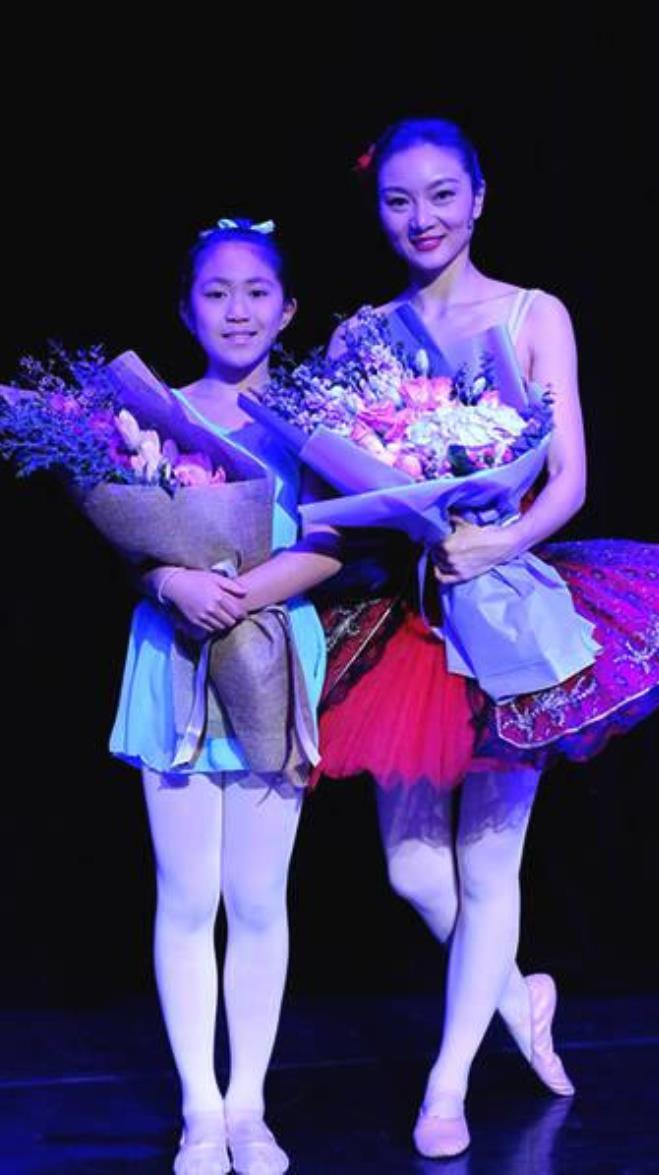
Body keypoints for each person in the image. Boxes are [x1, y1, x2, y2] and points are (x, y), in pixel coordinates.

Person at [316, 118, 659, 1159]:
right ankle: (519, 991)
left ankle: (446, 1088)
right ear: (378, 209)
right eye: (400, 200)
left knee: (490, 866)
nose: (423, 218)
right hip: (409, 615)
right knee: (411, 870)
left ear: (479, 197)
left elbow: (568, 476)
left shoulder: (535, 313)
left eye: (443, 194)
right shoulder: (361, 337)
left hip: (513, 605)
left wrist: (500, 540)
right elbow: (344, 479)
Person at [110, 218, 342, 1175]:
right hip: (173, 655)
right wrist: (172, 580)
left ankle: (249, 1105)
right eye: (215, 292)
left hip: (271, 653)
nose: (236, 309)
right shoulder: (151, 415)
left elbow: (335, 540)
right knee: (185, 893)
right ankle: (198, 1111)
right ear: (185, 308)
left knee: (256, 895)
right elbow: (132, 539)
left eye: (256, 292)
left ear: (288, 310)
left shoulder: (318, 420)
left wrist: (244, 593)